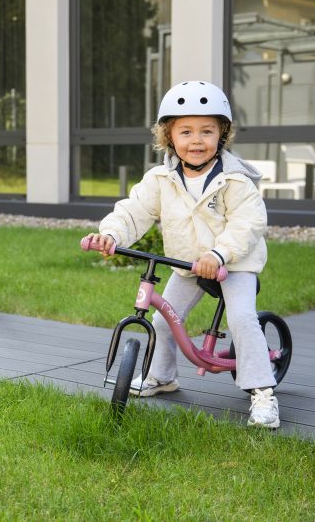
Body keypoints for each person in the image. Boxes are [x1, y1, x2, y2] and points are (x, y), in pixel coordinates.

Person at [84, 80, 279, 428]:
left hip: (233, 265)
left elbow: (248, 224)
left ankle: (262, 391)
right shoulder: (161, 179)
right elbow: (134, 210)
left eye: (207, 131)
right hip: (188, 264)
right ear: (168, 136)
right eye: (185, 131)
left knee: (242, 319)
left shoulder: (235, 181)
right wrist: (111, 234)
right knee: (162, 319)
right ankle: (161, 376)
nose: (196, 140)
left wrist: (219, 254)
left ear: (222, 134)